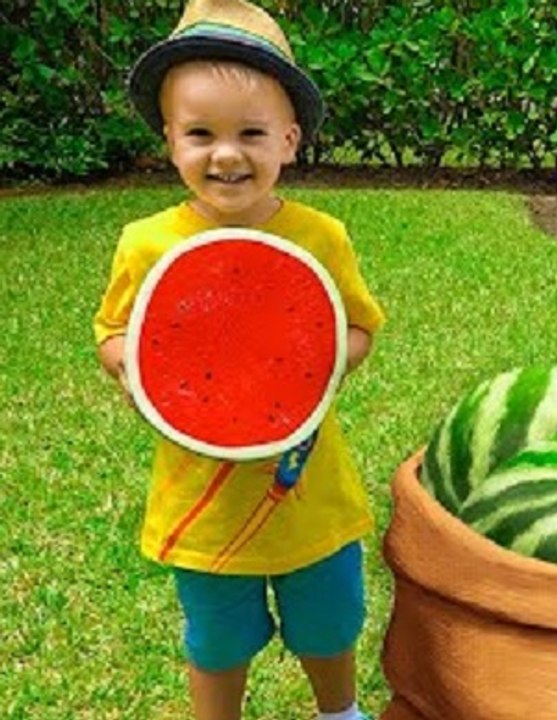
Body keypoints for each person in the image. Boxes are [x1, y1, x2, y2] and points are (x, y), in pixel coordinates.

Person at [92, 1, 384, 719]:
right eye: (200, 134)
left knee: (329, 618)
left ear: (289, 139)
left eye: (251, 133)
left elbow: (358, 328)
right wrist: (130, 366)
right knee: (216, 638)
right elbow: (114, 330)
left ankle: (337, 711)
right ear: (169, 142)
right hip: (205, 501)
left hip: (310, 488)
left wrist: (309, 370)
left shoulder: (321, 236)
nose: (226, 154)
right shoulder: (145, 243)